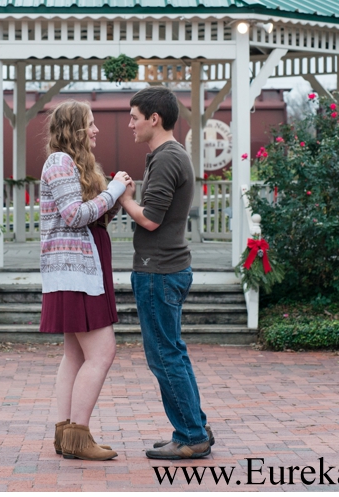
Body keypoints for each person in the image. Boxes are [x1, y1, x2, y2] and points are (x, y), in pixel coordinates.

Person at [117, 87, 213, 460]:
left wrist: (124, 196)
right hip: (168, 268)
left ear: (154, 118)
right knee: (173, 352)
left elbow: (151, 220)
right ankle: (193, 427)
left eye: (134, 117)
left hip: (157, 270)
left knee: (163, 356)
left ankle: (191, 435)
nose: (130, 124)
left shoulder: (166, 157)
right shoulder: (172, 155)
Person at [38, 101, 131, 462]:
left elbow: (88, 214)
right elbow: (75, 215)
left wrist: (114, 197)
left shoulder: (72, 164)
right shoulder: (60, 162)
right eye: (89, 125)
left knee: (74, 354)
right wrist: (113, 192)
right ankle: (77, 436)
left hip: (79, 269)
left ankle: (66, 434)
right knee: (103, 353)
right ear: (74, 128)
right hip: (75, 271)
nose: (95, 131)